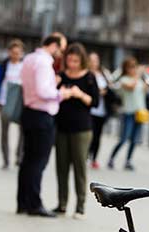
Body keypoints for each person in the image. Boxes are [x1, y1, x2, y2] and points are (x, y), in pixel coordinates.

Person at [16, 32, 69, 218]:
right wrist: (61, 93)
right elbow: (43, 91)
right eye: (61, 50)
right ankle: (34, 204)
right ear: (53, 45)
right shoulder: (44, 62)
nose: (61, 55)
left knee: (28, 160)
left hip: (29, 112)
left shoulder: (29, 58)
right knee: (38, 161)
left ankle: (23, 202)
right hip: (41, 115)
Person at [53, 43, 99, 218]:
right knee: (61, 167)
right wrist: (58, 88)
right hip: (61, 127)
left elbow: (95, 102)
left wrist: (79, 94)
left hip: (81, 129)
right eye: (70, 60)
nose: (72, 64)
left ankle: (80, 206)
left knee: (79, 167)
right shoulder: (61, 77)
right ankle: (62, 203)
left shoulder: (89, 77)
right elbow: (50, 96)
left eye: (76, 61)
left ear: (82, 61)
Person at [107, 57, 147, 171]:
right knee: (124, 138)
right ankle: (111, 158)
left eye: (135, 66)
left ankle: (128, 161)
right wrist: (138, 75)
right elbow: (131, 87)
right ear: (126, 68)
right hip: (128, 113)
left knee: (134, 139)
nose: (133, 69)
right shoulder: (124, 80)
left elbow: (144, 89)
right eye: (131, 67)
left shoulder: (139, 79)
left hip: (140, 112)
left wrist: (144, 78)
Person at [0, 39, 25, 169]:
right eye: (13, 52)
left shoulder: (25, 66)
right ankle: (6, 159)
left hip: (20, 103)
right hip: (5, 101)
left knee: (23, 131)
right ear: (9, 52)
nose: (16, 55)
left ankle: (19, 156)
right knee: (4, 131)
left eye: (18, 53)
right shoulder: (3, 66)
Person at [88, 52, 109, 169]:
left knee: (97, 136)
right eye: (92, 60)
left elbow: (109, 88)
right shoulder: (87, 74)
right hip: (90, 110)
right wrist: (97, 92)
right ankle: (86, 155)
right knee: (90, 135)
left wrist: (105, 91)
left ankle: (94, 158)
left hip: (101, 110)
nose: (94, 62)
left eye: (96, 60)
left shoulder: (102, 74)